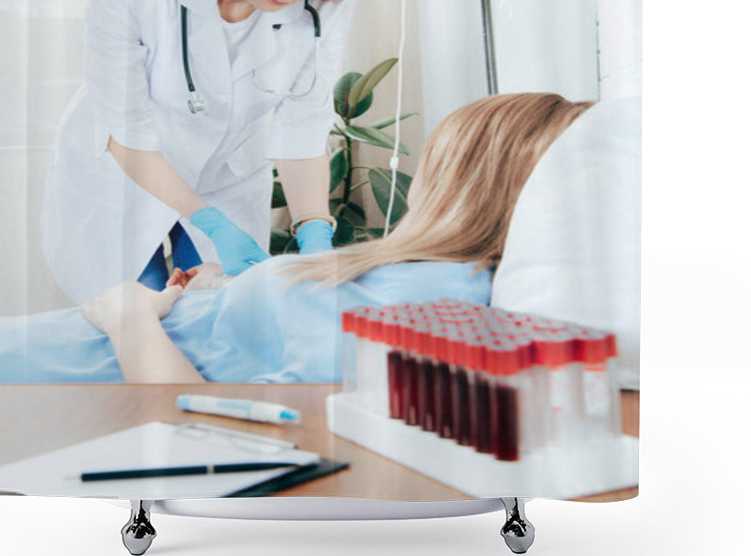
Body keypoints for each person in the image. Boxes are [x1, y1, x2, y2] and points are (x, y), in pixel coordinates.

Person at [4, 94, 593, 384]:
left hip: (47, 375)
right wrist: (222, 291)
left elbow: (201, 426)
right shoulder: (431, 278)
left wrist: (129, 313)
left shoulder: (429, 298)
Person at [40, 0, 390, 305]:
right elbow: (126, 130)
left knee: (220, 316)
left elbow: (302, 127)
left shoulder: (325, 12)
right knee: (135, 319)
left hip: (226, 181)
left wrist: (315, 230)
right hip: (124, 178)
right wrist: (212, 225)